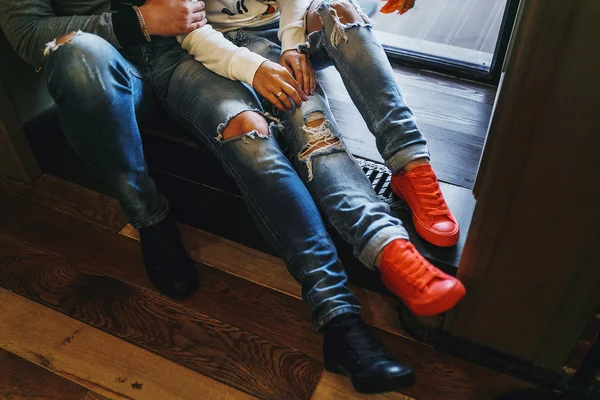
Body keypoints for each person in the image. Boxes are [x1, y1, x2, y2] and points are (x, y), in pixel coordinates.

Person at [0, 0, 465, 394]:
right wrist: (140, 22)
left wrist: (286, 45)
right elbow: (25, 32)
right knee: (248, 135)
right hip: (153, 56)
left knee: (312, 124)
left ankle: (390, 240)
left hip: (206, 40)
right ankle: (148, 214)